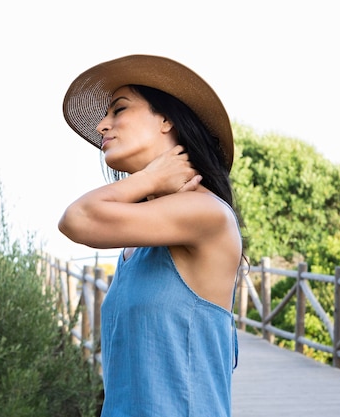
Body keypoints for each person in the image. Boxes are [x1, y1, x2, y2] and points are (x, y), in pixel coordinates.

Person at [58, 55, 243, 417]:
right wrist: (151, 182)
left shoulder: (206, 213)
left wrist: (149, 179)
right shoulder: (135, 242)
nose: (101, 126)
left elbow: (76, 219)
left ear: (166, 118)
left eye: (119, 109)